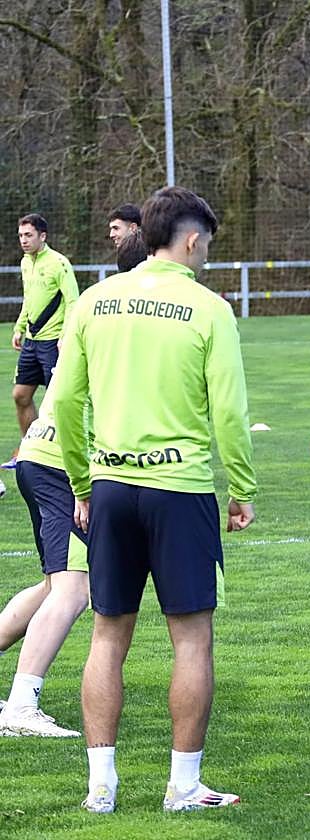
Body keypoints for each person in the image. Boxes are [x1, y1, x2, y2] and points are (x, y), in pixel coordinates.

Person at [55, 186, 258, 813]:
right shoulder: (209, 309)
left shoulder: (93, 301)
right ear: (192, 240)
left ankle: (101, 789)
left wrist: (83, 483)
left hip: (110, 489)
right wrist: (242, 488)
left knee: (107, 637)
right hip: (181, 491)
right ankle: (183, 786)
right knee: (191, 640)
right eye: (208, 247)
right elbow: (229, 409)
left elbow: (63, 401)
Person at [0, 371, 90, 738]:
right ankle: (22, 706)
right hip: (61, 463)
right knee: (72, 590)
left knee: (53, 586)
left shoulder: (91, 315)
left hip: (38, 452)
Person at [7, 214, 79, 468]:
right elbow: (29, 298)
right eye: (20, 236)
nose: (23, 241)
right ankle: (29, 450)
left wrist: (65, 334)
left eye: (28, 235)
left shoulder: (59, 263)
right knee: (20, 395)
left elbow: (72, 300)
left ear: (43, 236)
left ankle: (61, 455)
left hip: (52, 343)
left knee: (56, 401)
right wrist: (19, 327)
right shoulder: (26, 262)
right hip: (31, 341)